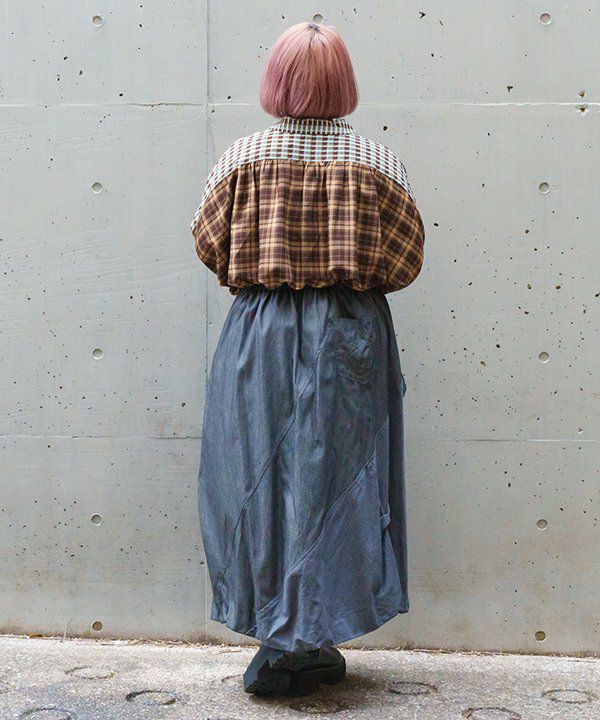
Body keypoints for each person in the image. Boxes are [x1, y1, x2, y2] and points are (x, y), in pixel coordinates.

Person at [190, 20, 425, 697]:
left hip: (261, 333)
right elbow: (406, 259)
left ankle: (279, 638)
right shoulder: (377, 162)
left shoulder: (243, 157)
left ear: (276, 80)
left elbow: (207, 242)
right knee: (342, 483)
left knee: (255, 481)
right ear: (344, 83)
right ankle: (312, 636)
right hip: (350, 333)